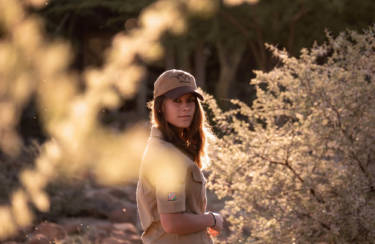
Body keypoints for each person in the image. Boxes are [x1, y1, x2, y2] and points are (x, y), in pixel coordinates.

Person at [136, 69, 224, 244]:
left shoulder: (173, 150)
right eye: (177, 101)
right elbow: (172, 222)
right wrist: (212, 219)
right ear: (161, 107)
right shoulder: (167, 157)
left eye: (190, 101)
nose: (185, 107)